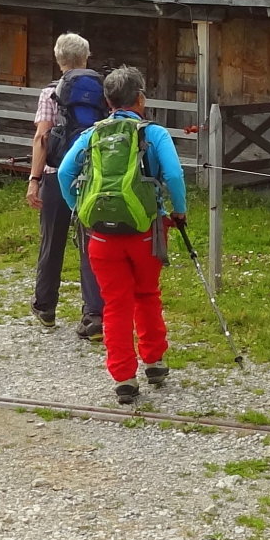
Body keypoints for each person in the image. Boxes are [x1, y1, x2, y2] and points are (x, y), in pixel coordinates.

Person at [58, 65, 187, 406]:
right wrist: (179, 210)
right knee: (147, 295)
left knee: (115, 305)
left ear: (108, 101)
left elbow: (64, 173)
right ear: (140, 98)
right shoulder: (154, 134)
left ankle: (124, 379)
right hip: (145, 231)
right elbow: (174, 175)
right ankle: (154, 362)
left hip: (101, 236)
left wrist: (80, 210)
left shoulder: (91, 135)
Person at [27, 33, 109, 335]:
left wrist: (34, 179)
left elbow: (42, 137)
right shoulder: (103, 90)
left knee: (52, 241)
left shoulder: (50, 92)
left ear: (58, 59)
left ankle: (45, 306)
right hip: (92, 176)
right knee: (90, 242)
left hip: (55, 174)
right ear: (86, 58)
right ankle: (93, 315)